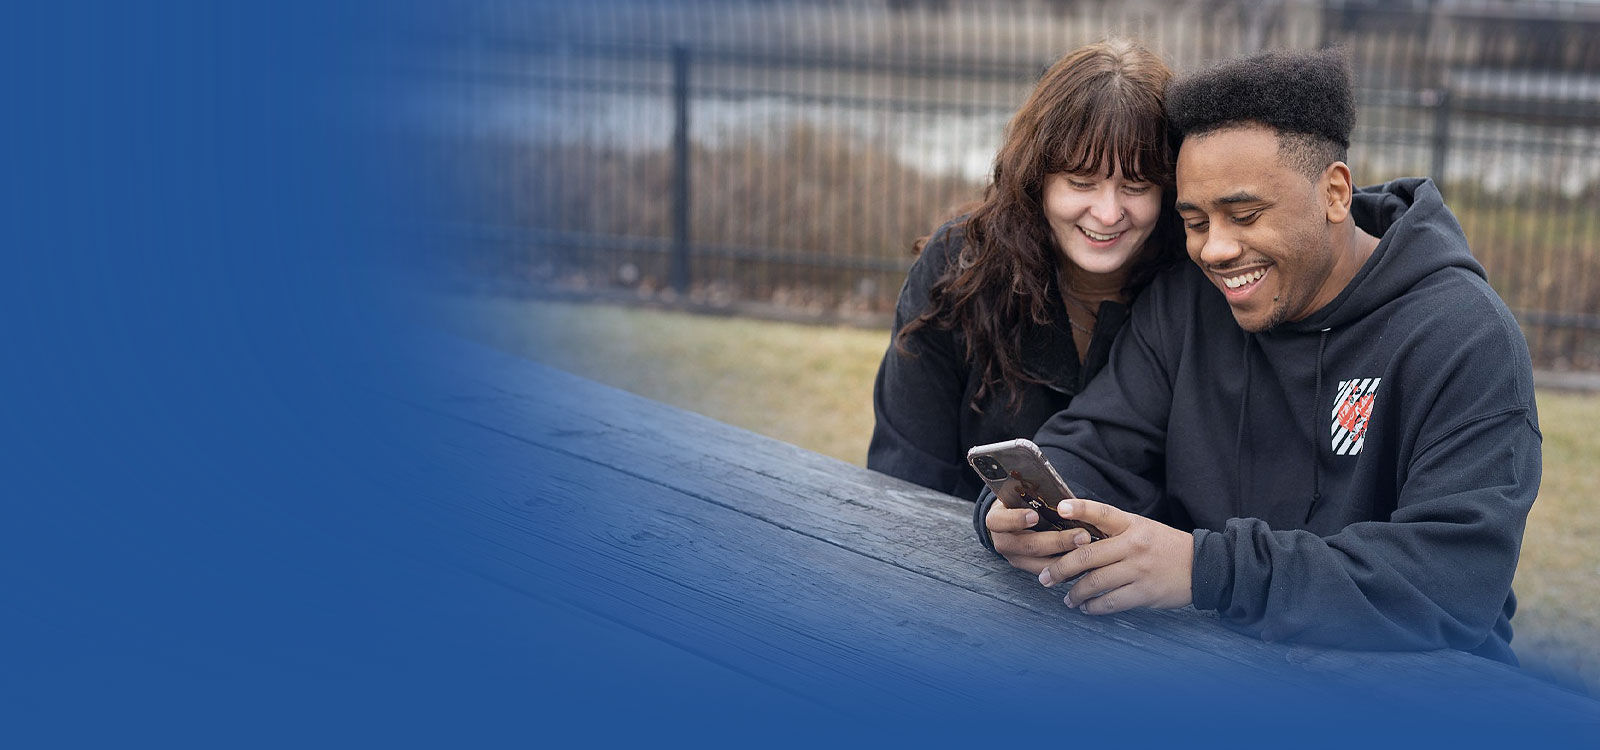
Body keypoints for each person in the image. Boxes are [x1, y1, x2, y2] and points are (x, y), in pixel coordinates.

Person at [978, 47, 1541, 664]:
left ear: (1333, 192)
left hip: (1422, 696)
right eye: (1195, 222)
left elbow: (1450, 583)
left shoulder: (1463, 336)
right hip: (1216, 672)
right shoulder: (1186, 304)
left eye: (1244, 215)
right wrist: (1019, 513)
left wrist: (1206, 570)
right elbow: (1093, 447)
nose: (1216, 250)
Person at [869, 38, 1184, 502]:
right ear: (1037, 175)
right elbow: (906, 475)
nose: (1108, 212)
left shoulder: (1192, 291)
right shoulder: (957, 271)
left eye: (1136, 186)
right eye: (1082, 182)